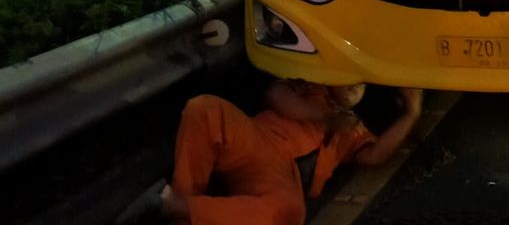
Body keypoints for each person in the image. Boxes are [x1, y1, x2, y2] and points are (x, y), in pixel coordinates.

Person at [116, 80, 423, 225]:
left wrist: (411, 113)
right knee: (204, 108)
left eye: (361, 84)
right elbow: (274, 94)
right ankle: (179, 202)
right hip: (254, 137)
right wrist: (325, 118)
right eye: (349, 78)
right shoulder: (311, 87)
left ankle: (172, 207)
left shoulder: (355, 129)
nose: (355, 85)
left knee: (289, 211)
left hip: (279, 173)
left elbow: (375, 156)